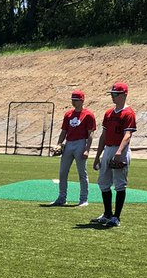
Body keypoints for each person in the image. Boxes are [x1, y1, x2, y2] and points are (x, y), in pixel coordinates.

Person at [91, 83, 137, 228]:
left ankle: (116, 217)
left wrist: (119, 152)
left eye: (115, 94)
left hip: (120, 149)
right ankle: (107, 214)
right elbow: (103, 136)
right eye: (112, 94)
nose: (112, 96)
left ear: (124, 95)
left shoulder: (128, 113)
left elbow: (127, 134)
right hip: (108, 149)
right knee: (103, 182)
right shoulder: (109, 113)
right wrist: (98, 155)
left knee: (119, 184)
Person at [48, 89, 97, 206]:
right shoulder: (68, 114)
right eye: (72, 100)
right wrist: (59, 144)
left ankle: (83, 199)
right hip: (69, 143)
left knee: (82, 173)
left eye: (76, 100)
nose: (73, 102)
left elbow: (91, 134)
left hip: (80, 143)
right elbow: (64, 131)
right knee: (63, 172)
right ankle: (62, 198)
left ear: (82, 100)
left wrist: (87, 149)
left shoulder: (88, 115)